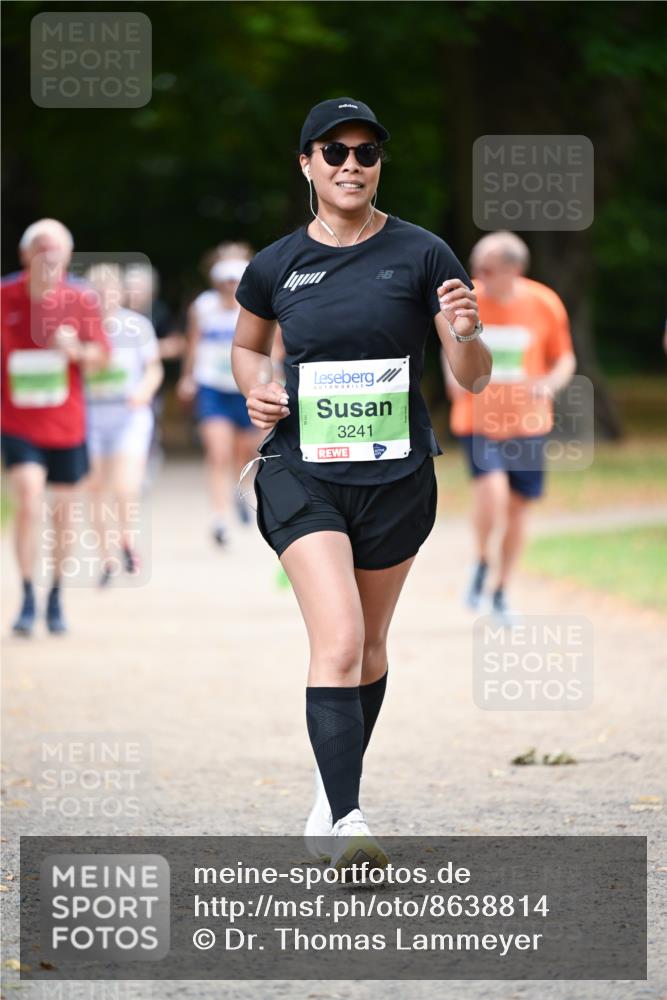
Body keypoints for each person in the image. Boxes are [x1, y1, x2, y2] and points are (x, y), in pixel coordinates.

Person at [232, 97, 491, 872]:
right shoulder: (276, 264)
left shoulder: (423, 254)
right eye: (334, 150)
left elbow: (471, 378)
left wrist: (471, 334)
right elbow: (247, 351)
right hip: (301, 470)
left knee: (371, 646)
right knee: (338, 638)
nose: (352, 163)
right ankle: (346, 817)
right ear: (306, 163)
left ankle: (326, 791)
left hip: (396, 475)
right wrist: (259, 388)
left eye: (366, 152)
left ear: (379, 165)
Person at [443, 231, 576, 624]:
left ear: (513, 269)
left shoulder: (544, 303)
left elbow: (564, 358)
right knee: (493, 493)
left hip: (528, 423)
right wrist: (454, 378)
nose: (476, 275)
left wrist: (548, 385)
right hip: (478, 420)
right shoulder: (470, 299)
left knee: (519, 510)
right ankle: (482, 560)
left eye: (486, 268)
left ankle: (500, 589)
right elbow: (450, 346)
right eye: (475, 267)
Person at [1, 218, 109, 635]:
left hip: (66, 423)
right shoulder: (5, 295)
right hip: (17, 420)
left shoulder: (80, 299)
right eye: (43, 252)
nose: (51, 260)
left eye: (58, 254)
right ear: (26, 255)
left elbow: (101, 359)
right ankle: (28, 593)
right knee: (28, 498)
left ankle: (55, 595)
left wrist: (76, 350)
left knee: (63, 514)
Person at [84, 264, 163, 584]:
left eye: (110, 290)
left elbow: (153, 369)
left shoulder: (137, 326)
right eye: (97, 291)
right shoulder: (78, 328)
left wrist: (143, 391)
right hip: (91, 415)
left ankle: (127, 540)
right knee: (96, 489)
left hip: (129, 416)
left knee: (125, 486)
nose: (104, 297)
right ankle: (107, 559)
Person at [178, 252, 263, 545]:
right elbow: (194, 343)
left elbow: (272, 345)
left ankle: (239, 491)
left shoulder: (254, 306)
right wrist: (187, 378)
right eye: (225, 282)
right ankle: (219, 518)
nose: (229, 287)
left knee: (246, 451)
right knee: (218, 453)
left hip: (244, 386)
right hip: (212, 386)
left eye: (234, 282)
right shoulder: (203, 307)